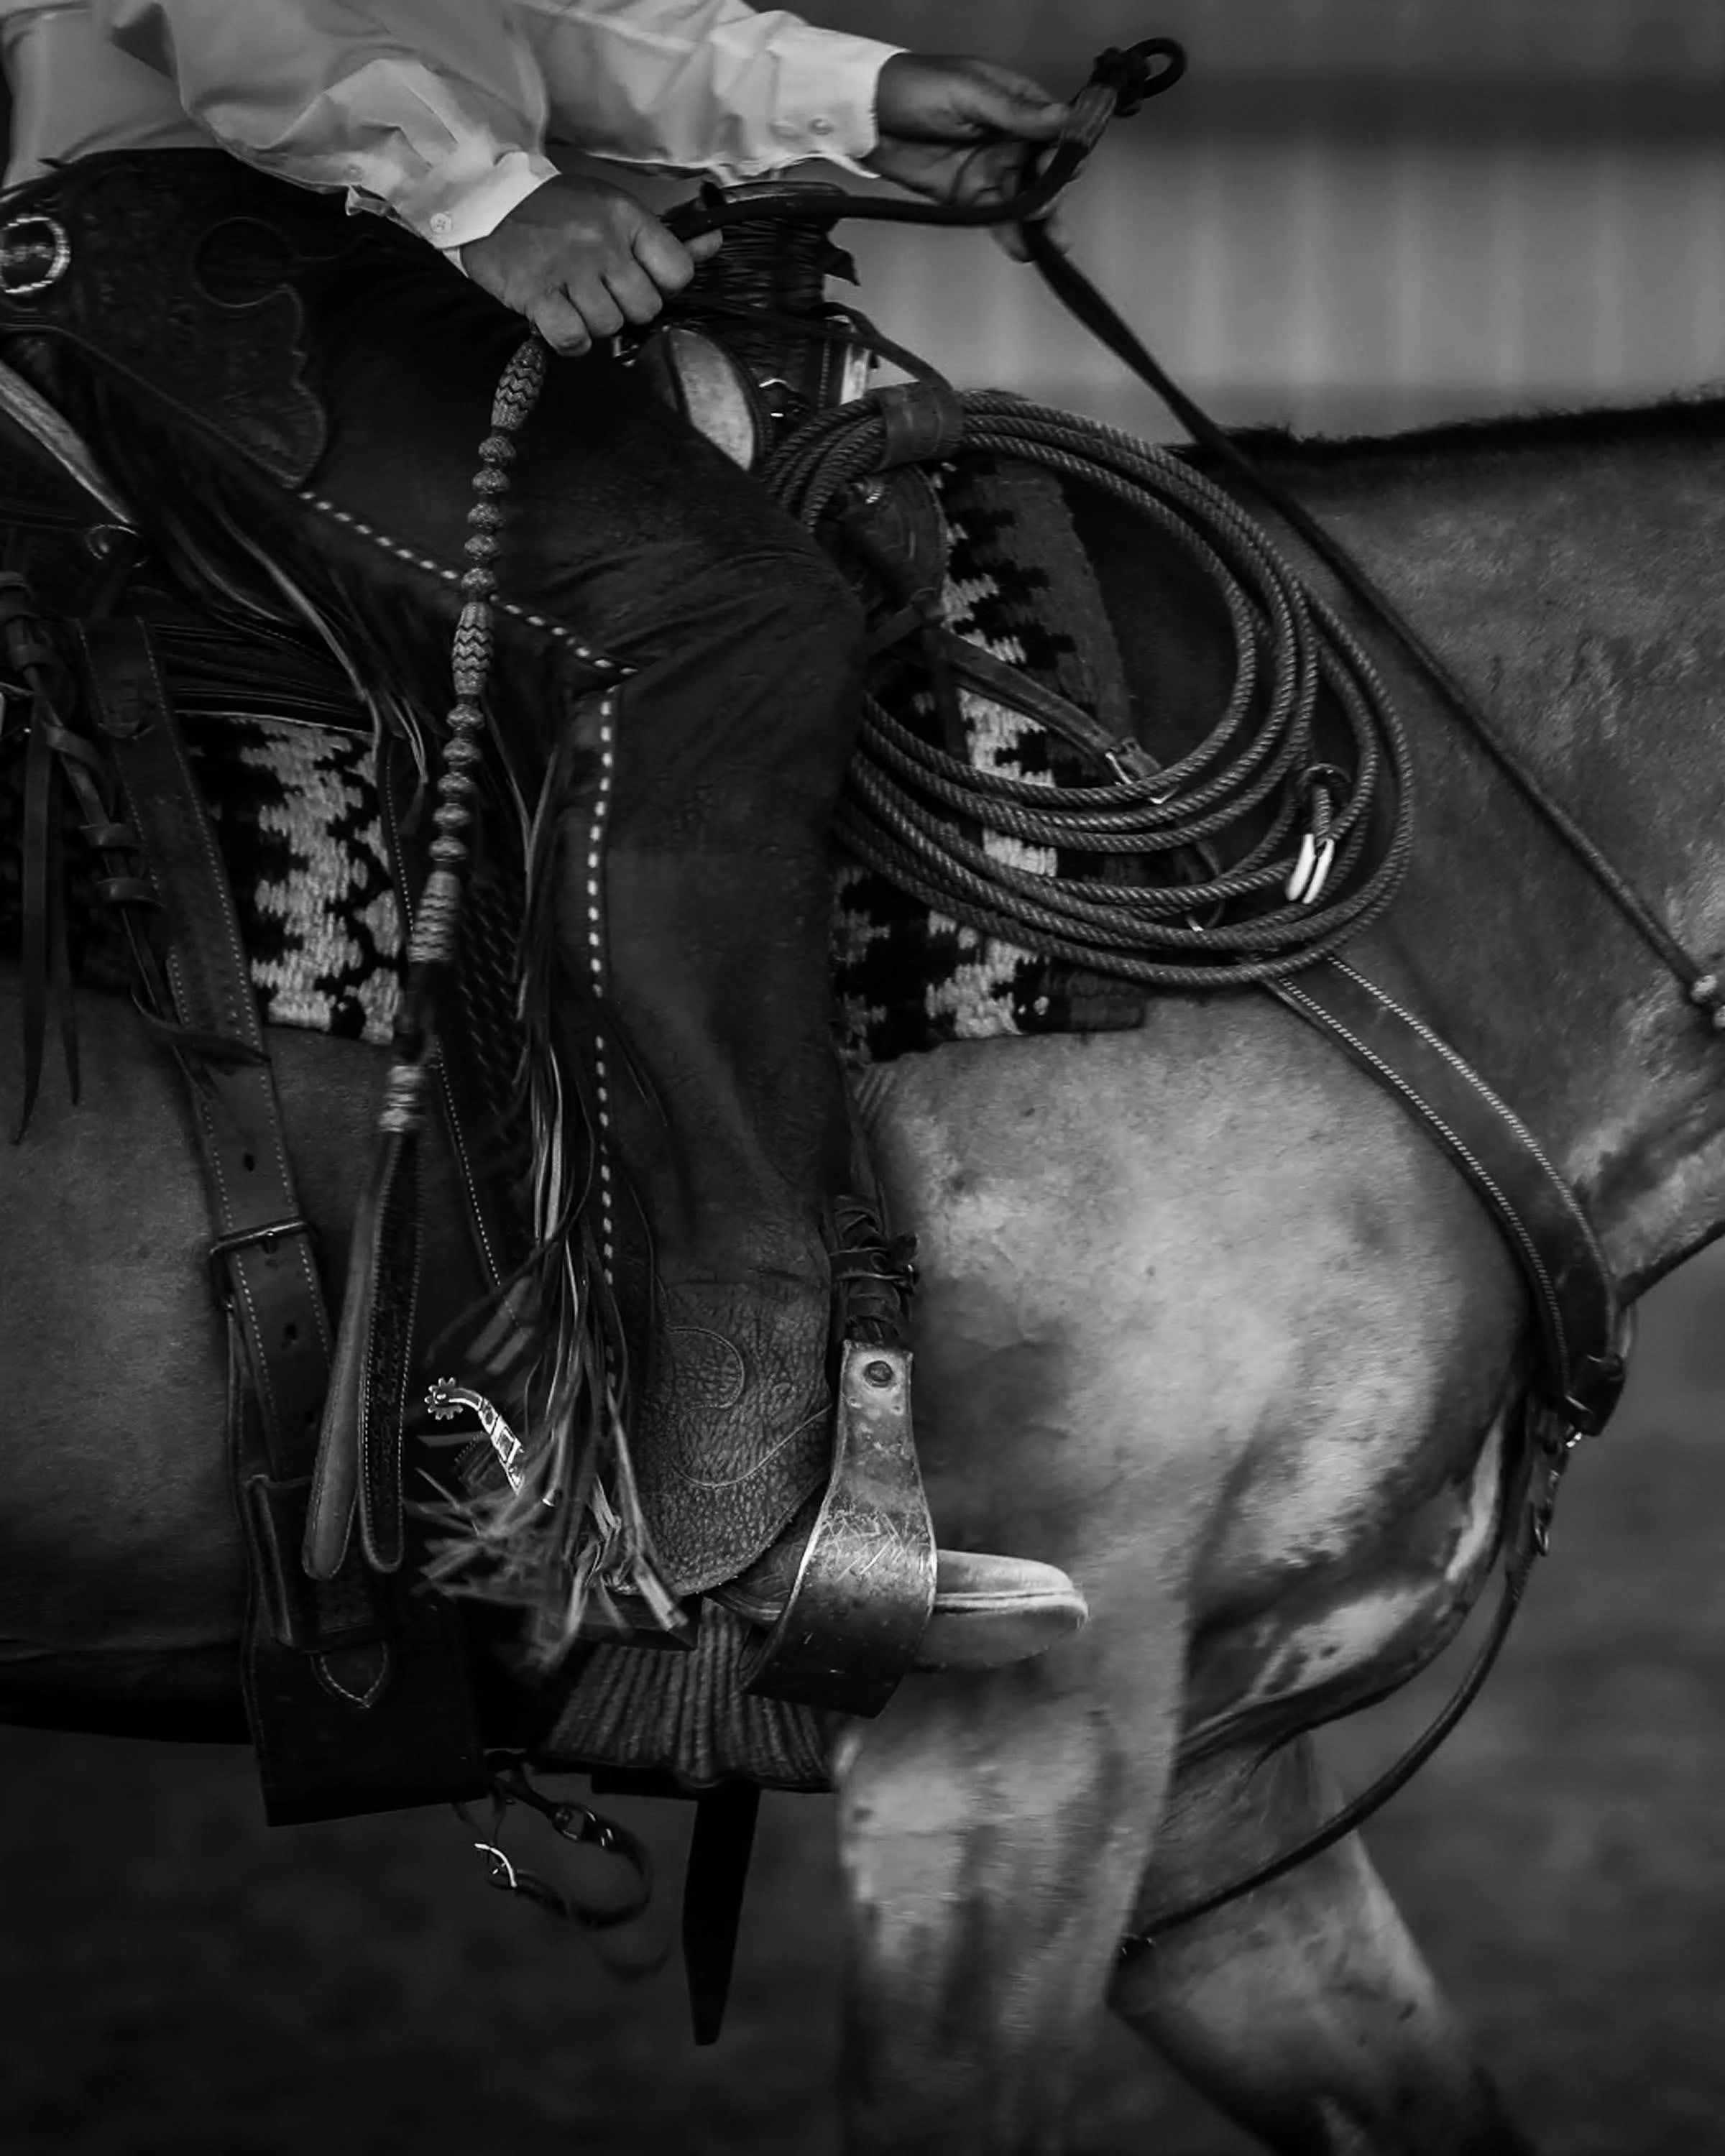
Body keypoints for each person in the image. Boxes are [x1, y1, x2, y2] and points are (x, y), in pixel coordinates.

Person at [0, 1, 1088, 1691]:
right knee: (712, 624)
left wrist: (846, 92)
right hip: (194, 239)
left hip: (330, 228)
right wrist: (482, 188)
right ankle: (717, 1466)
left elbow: (506, 13)